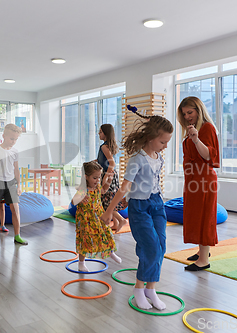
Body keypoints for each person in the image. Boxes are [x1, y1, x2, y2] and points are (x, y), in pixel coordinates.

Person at [101, 107, 173, 310]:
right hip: (140, 208)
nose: (165, 146)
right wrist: (109, 211)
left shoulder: (158, 157)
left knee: (161, 246)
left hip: (158, 204)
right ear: (150, 137)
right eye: (162, 142)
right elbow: (125, 187)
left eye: (167, 142)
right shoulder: (137, 159)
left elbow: (149, 183)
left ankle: (151, 289)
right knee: (150, 247)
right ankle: (139, 289)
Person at [177, 96, 220, 271]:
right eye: (184, 114)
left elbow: (209, 155)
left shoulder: (207, 128)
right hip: (193, 179)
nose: (187, 117)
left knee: (204, 217)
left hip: (204, 179)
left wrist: (195, 139)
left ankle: (204, 260)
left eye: (190, 112)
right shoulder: (190, 129)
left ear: (199, 110)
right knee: (194, 215)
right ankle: (203, 252)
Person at [71, 161, 121, 272]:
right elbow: (73, 202)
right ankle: (81, 263)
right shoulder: (83, 189)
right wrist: (80, 198)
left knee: (106, 233)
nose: (97, 180)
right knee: (86, 239)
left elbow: (103, 190)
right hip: (86, 219)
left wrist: (108, 181)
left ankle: (111, 252)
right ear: (86, 177)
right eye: (95, 178)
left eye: (99, 178)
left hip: (99, 216)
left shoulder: (97, 186)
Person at [97, 124, 127, 232]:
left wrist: (107, 176)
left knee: (107, 201)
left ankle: (121, 219)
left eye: (100, 132)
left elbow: (112, 163)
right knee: (110, 199)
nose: (98, 134)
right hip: (111, 174)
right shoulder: (108, 146)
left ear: (105, 133)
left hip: (108, 175)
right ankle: (116, 223)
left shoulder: (104, 147)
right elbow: (102, 160)